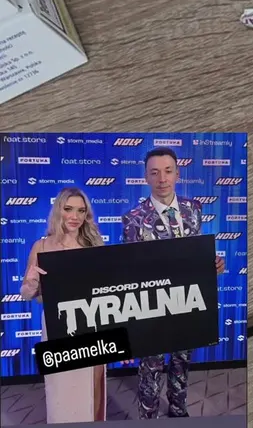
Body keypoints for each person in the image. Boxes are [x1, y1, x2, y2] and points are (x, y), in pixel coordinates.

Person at [122, 147, 225, 420]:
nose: (162, 178)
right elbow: (129, 270)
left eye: (168, 171)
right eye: (155, 172)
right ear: (146, 177)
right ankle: (149, 417)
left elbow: (197, 253)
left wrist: (212, 265)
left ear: (178, 174)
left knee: (182, 361)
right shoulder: (133, 218)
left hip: (187, 300)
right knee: (151, 366)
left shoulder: (194, 208)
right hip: (152, 306)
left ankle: (179, 410)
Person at [18, 186, 108, 423]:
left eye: (81, 210)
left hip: (91, 326)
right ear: (59, 210)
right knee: (61, 392)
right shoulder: (41, 246)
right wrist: (31, 282)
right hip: (57, 328)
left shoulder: (94, 246)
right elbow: (26, 294)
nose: (75, 216)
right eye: (69, 209)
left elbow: (107, 292)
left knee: (91, 391)